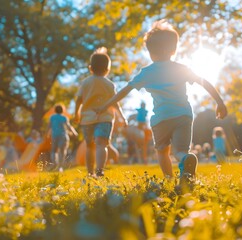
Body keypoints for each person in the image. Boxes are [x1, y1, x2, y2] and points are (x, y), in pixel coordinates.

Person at [95, 20, 227, 186]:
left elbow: (124, 91)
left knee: (162, 151)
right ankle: (185, 160)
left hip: (162, 118)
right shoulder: (181, 68)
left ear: (150, 52)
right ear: (173, 50)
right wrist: (219, 102)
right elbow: (204, 82)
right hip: (184, 115)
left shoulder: (147, 72)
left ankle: (169, 180)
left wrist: (106, 105)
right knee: (179, 151)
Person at [74, 47, 127, 177]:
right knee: (101, 144)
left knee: (90, 146)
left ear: (90, 68)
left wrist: (77, 114)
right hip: (105, 119)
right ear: (107, 69)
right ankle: (99, 171)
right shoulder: (109, 84)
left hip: (87, 119)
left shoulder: (86, 82)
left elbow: (78, 100)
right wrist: (122, 117)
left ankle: (90, 172)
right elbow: (115, 102)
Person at [47, 104, 78, 172]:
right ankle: (60, 167)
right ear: (62, 111)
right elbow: (69, 126)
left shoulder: (52, 117)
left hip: (54, 136)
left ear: (55, 110)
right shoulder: (64, 118)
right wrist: (74, 132)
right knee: (62, 151)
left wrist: (47, 134)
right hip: (63, 136)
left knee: (54, 151)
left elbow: (49, 126)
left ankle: (54, 164)